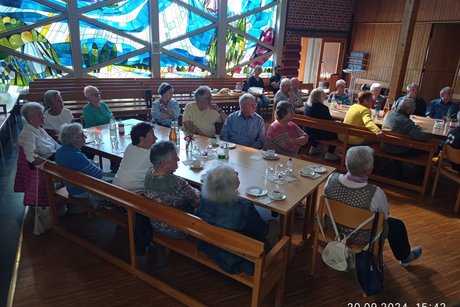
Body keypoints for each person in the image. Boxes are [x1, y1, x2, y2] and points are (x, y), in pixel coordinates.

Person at [324, 146, 422, 267]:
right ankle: (406, 257)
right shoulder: (376, 193)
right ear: (369, 170)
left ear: (346, 162)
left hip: (332, 228)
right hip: (360, 238)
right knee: (397, 225)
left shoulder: (331, 179)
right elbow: (384, 218)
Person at [198, 165, 278, 275]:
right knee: (275, 225)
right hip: (239, 259)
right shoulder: (244, 208)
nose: (237, 174)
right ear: (229, 185)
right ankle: (277, 262)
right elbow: (262, 231)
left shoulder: (203, 198)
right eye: (235, 174)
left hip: (211, 249)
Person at [144, 140, 200, 239]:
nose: (178, 159)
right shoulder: (177, 183)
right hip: (176, 229)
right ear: (164, 164)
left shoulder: (149, 174)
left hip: (155, 223)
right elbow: (196, 200)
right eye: (175, 157)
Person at [55, 123, 103, 208]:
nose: (86, 137)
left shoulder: (60, 150)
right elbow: (98, 174)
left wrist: (91, 163)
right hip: (82, 190)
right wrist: (94, 164)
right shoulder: (75, 155)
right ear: (74, 139)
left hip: (72, 186)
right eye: (82, 136)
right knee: (118, 182)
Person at [113, 122, 157, 194]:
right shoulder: (150, 155)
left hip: (116, 187)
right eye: (153, 135)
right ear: (142, 139)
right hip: (132, 195)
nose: (156, 138)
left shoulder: (130, 147)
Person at [304, 88, 339, 160]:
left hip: (308, 131)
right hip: (318, 134)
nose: (325, 96)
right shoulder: (323, 108)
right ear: (319, 97)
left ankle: (313, 147)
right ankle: (330, 153)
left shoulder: (307, 106)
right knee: (337, 132)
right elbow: (330, 123)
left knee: (317, 127)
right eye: (323, 95)